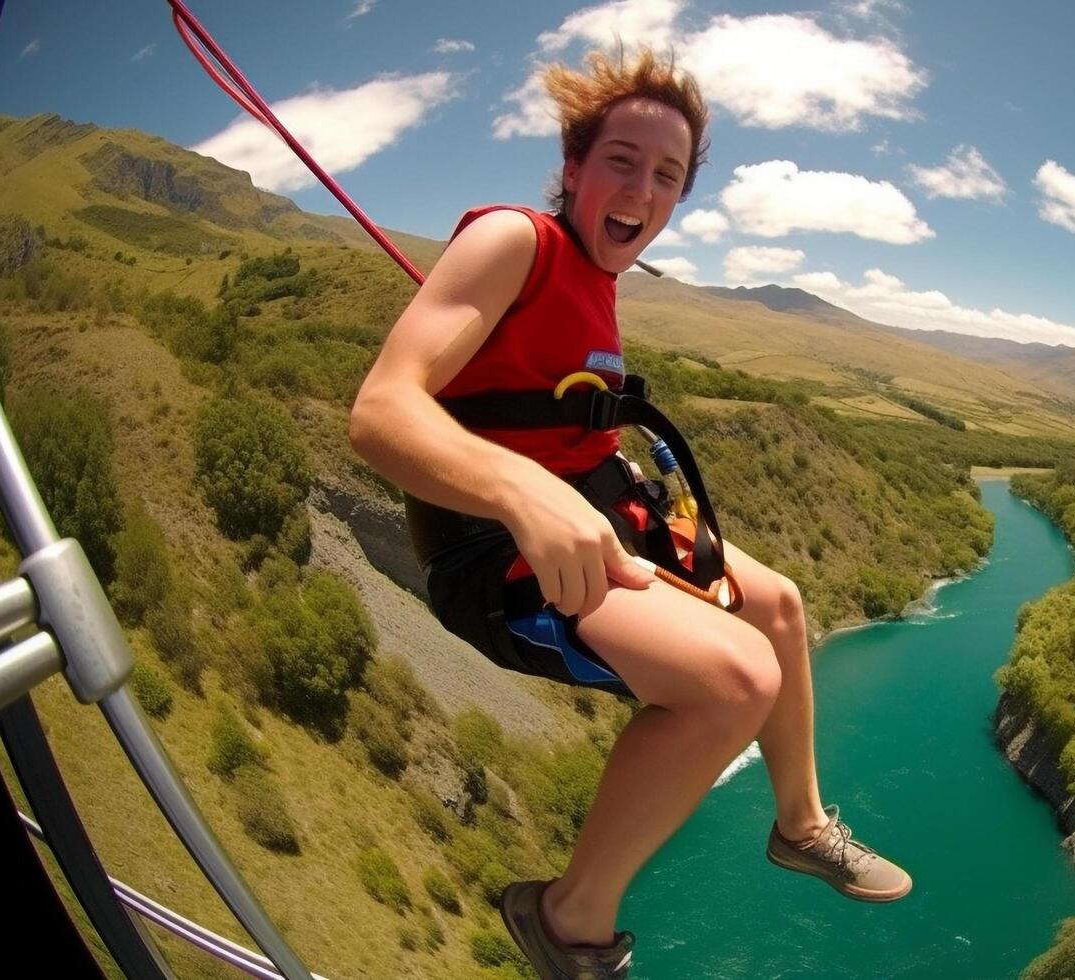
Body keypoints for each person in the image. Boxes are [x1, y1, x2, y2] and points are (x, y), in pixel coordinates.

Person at [348, 48, 910, 980]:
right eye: (620, 159)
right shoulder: (513, 242)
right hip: (498, 556)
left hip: (595, 519)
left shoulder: (595, 281)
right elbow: (380, 411)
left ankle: (800, 824)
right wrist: (523, 492)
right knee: (735, 681)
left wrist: (593, 488)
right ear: (572, 169)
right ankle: (567, 920)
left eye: (666, 175)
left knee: (779, 607)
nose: (640, 188)